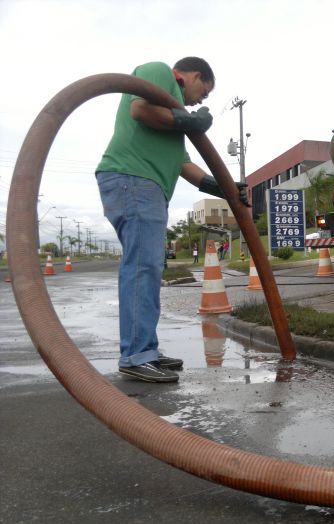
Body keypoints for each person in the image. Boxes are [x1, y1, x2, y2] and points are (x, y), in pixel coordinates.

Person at [96, 56, 247, 383]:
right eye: (204, 91)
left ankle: (145, 349)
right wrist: (191, 120)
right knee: (143, 266)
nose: (200, 100)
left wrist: (224, 187)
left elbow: (183, 165)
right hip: (134, 178)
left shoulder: (171, 123)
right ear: (193, 75)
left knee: (149, 267)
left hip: (144, 185)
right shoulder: (160, 71)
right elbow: (141, 110)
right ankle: (137, 354)